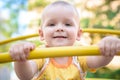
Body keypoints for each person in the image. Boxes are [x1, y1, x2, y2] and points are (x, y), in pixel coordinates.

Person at [9, 1, 120, 80]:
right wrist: (21, 59)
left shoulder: (80, 53)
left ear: (78, 34)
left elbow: (98, 61)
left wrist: (108, 47)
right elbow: (25, 76)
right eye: (52, 24)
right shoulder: (40, 55)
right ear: (41, 34)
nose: (59, 28)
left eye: (68, 24)